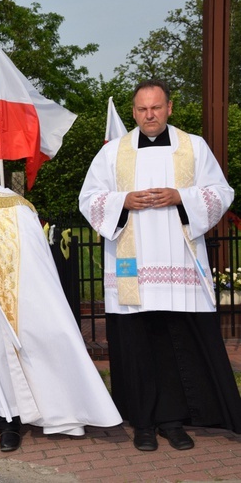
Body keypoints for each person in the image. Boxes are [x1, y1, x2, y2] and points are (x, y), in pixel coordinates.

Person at [79, 79, 241, 451]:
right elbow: (89, 198)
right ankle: (144, 423)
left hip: (178, 263)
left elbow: (220, 193)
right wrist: (124, 201)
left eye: (155, 108)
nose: (149, 115)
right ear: (133, 111)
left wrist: (180, 196)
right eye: (141, 109)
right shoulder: (113, 152)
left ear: (169, 108)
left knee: (174, 343)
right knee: (136, 344)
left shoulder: (193, 147)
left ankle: (174, 421)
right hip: (132, 265)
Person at [0, 148, 121, 452]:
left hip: (0, 304)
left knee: (3, 358)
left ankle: (10, 422)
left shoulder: (14, 206)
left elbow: (32, 248)